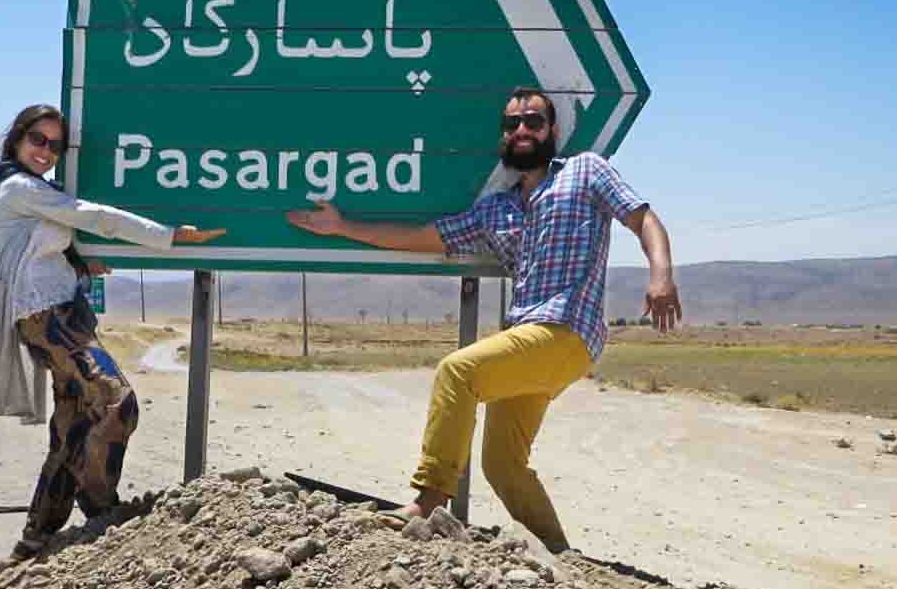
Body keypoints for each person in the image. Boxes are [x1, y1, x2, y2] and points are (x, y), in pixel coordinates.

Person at [287, 85, 682, 554]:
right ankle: (559, 556)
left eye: (533, 121)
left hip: (565, 329)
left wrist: (661, 275)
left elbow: (644, 219)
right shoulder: (495, 209)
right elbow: (422, 237)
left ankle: (429, 500)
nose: (521, 130)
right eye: (512, 123)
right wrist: (344, 227)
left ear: (553, 130)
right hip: (527, 340)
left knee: (458, 372)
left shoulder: (585, 171)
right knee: (502, 464)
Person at [0, 103, 222, 561]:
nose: (46, 151)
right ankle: (101, 504)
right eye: (37, 140)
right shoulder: (19, 188)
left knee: (74, 424)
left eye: (54, 145)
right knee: (116, 402)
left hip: (59, 312)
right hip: (50, 318)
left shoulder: (28, 190)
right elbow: (92, 215)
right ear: (17, 140)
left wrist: (78, 262)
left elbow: (36, 249)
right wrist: (169, 236)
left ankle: (36, 538)